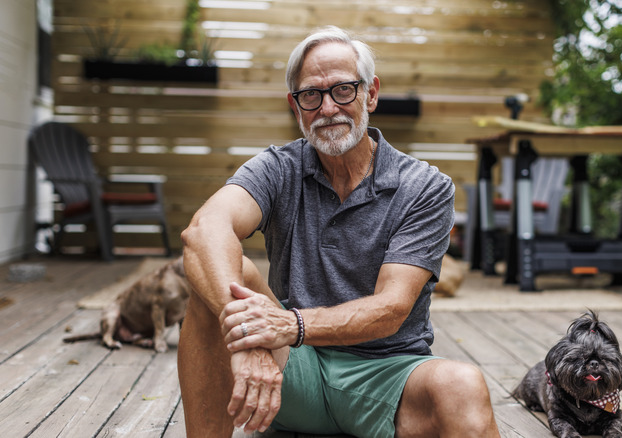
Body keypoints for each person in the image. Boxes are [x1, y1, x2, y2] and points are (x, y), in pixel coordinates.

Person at [177, 25, 500, 438]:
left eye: (343, 90)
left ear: (371, 93)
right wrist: (252, 337)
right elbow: (204, 230)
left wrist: (287, 325)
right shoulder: (279, 167)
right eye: (311, 94)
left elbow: (391, 308)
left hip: (387, 375)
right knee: (218, 267)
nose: (328, 108)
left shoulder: (424, 186)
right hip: (292, 370)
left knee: (463, 385)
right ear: (296, 107)